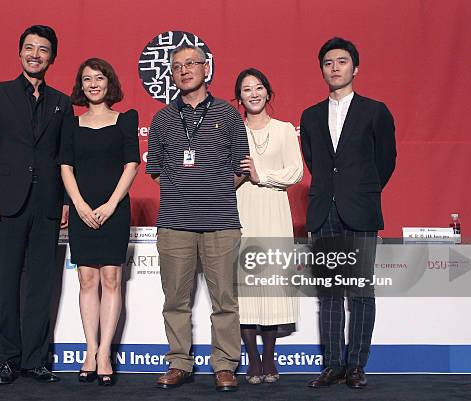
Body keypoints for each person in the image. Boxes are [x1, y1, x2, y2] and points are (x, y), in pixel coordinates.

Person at [146, 44, 250, 392]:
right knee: (175, 299)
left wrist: (214, 189)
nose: (184, 70)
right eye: (177, 66)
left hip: (221, 221)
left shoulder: (227, 114)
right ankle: (178, 362)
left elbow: (241, 166)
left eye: (191, 64)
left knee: (225, 301)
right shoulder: (161, 118)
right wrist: (184, 191)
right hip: (175, 222)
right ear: (171, 74)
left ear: (206, 69)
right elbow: (157, 170)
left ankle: (224, 365)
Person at [0, 25, 72, 384]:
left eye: (43, 50)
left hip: (47, 204)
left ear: (52, 57)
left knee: (41, 284)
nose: (35, 54)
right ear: (19, 53)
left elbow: (64, 155)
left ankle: (36, 359)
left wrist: (63, 201)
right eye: (29, 48)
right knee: (6, 282)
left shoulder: (62, 102)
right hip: (7, 203)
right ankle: (6, 359)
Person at [300, 37, 396, 389]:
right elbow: (315, 162)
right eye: (328, 63)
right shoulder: (310, 116)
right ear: (322, 70)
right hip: (324, 211)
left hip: (361, 210)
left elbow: (386, 161)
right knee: (328, 292)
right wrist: (334, 193)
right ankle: (333, 365)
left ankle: (356, 364)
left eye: (342, 61)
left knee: (359, 292)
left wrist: (360, 192)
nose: (335, 67)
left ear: (355, 68)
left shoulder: (376, 111)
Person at [60, 58, 140, 386]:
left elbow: (132, 165)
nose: (94, 84)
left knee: (111, 279)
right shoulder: (71, 123)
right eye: (87, 79)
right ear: (81, 85)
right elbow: (65, 167)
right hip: (82, 210)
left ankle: (106, 351)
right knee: (87, 281)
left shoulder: (126, 120)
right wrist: (78, 205)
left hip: (114, 210)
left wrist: (110, 204)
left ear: (110, 83)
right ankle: (90, 349)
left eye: (100, 78)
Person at [234, 68, 303, 384]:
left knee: (272, 286)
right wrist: (241, 177)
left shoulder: (285, 130)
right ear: (239, 98)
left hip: (274, 212)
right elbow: (223, 176)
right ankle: (252, 360)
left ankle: (270, 358)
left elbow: (295, 172)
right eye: (246, 89)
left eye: (259, 87)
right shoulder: (232, 130)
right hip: (241, 211)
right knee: (245, 289)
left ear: (268, 92)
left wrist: (263, 175)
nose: (253, 93)